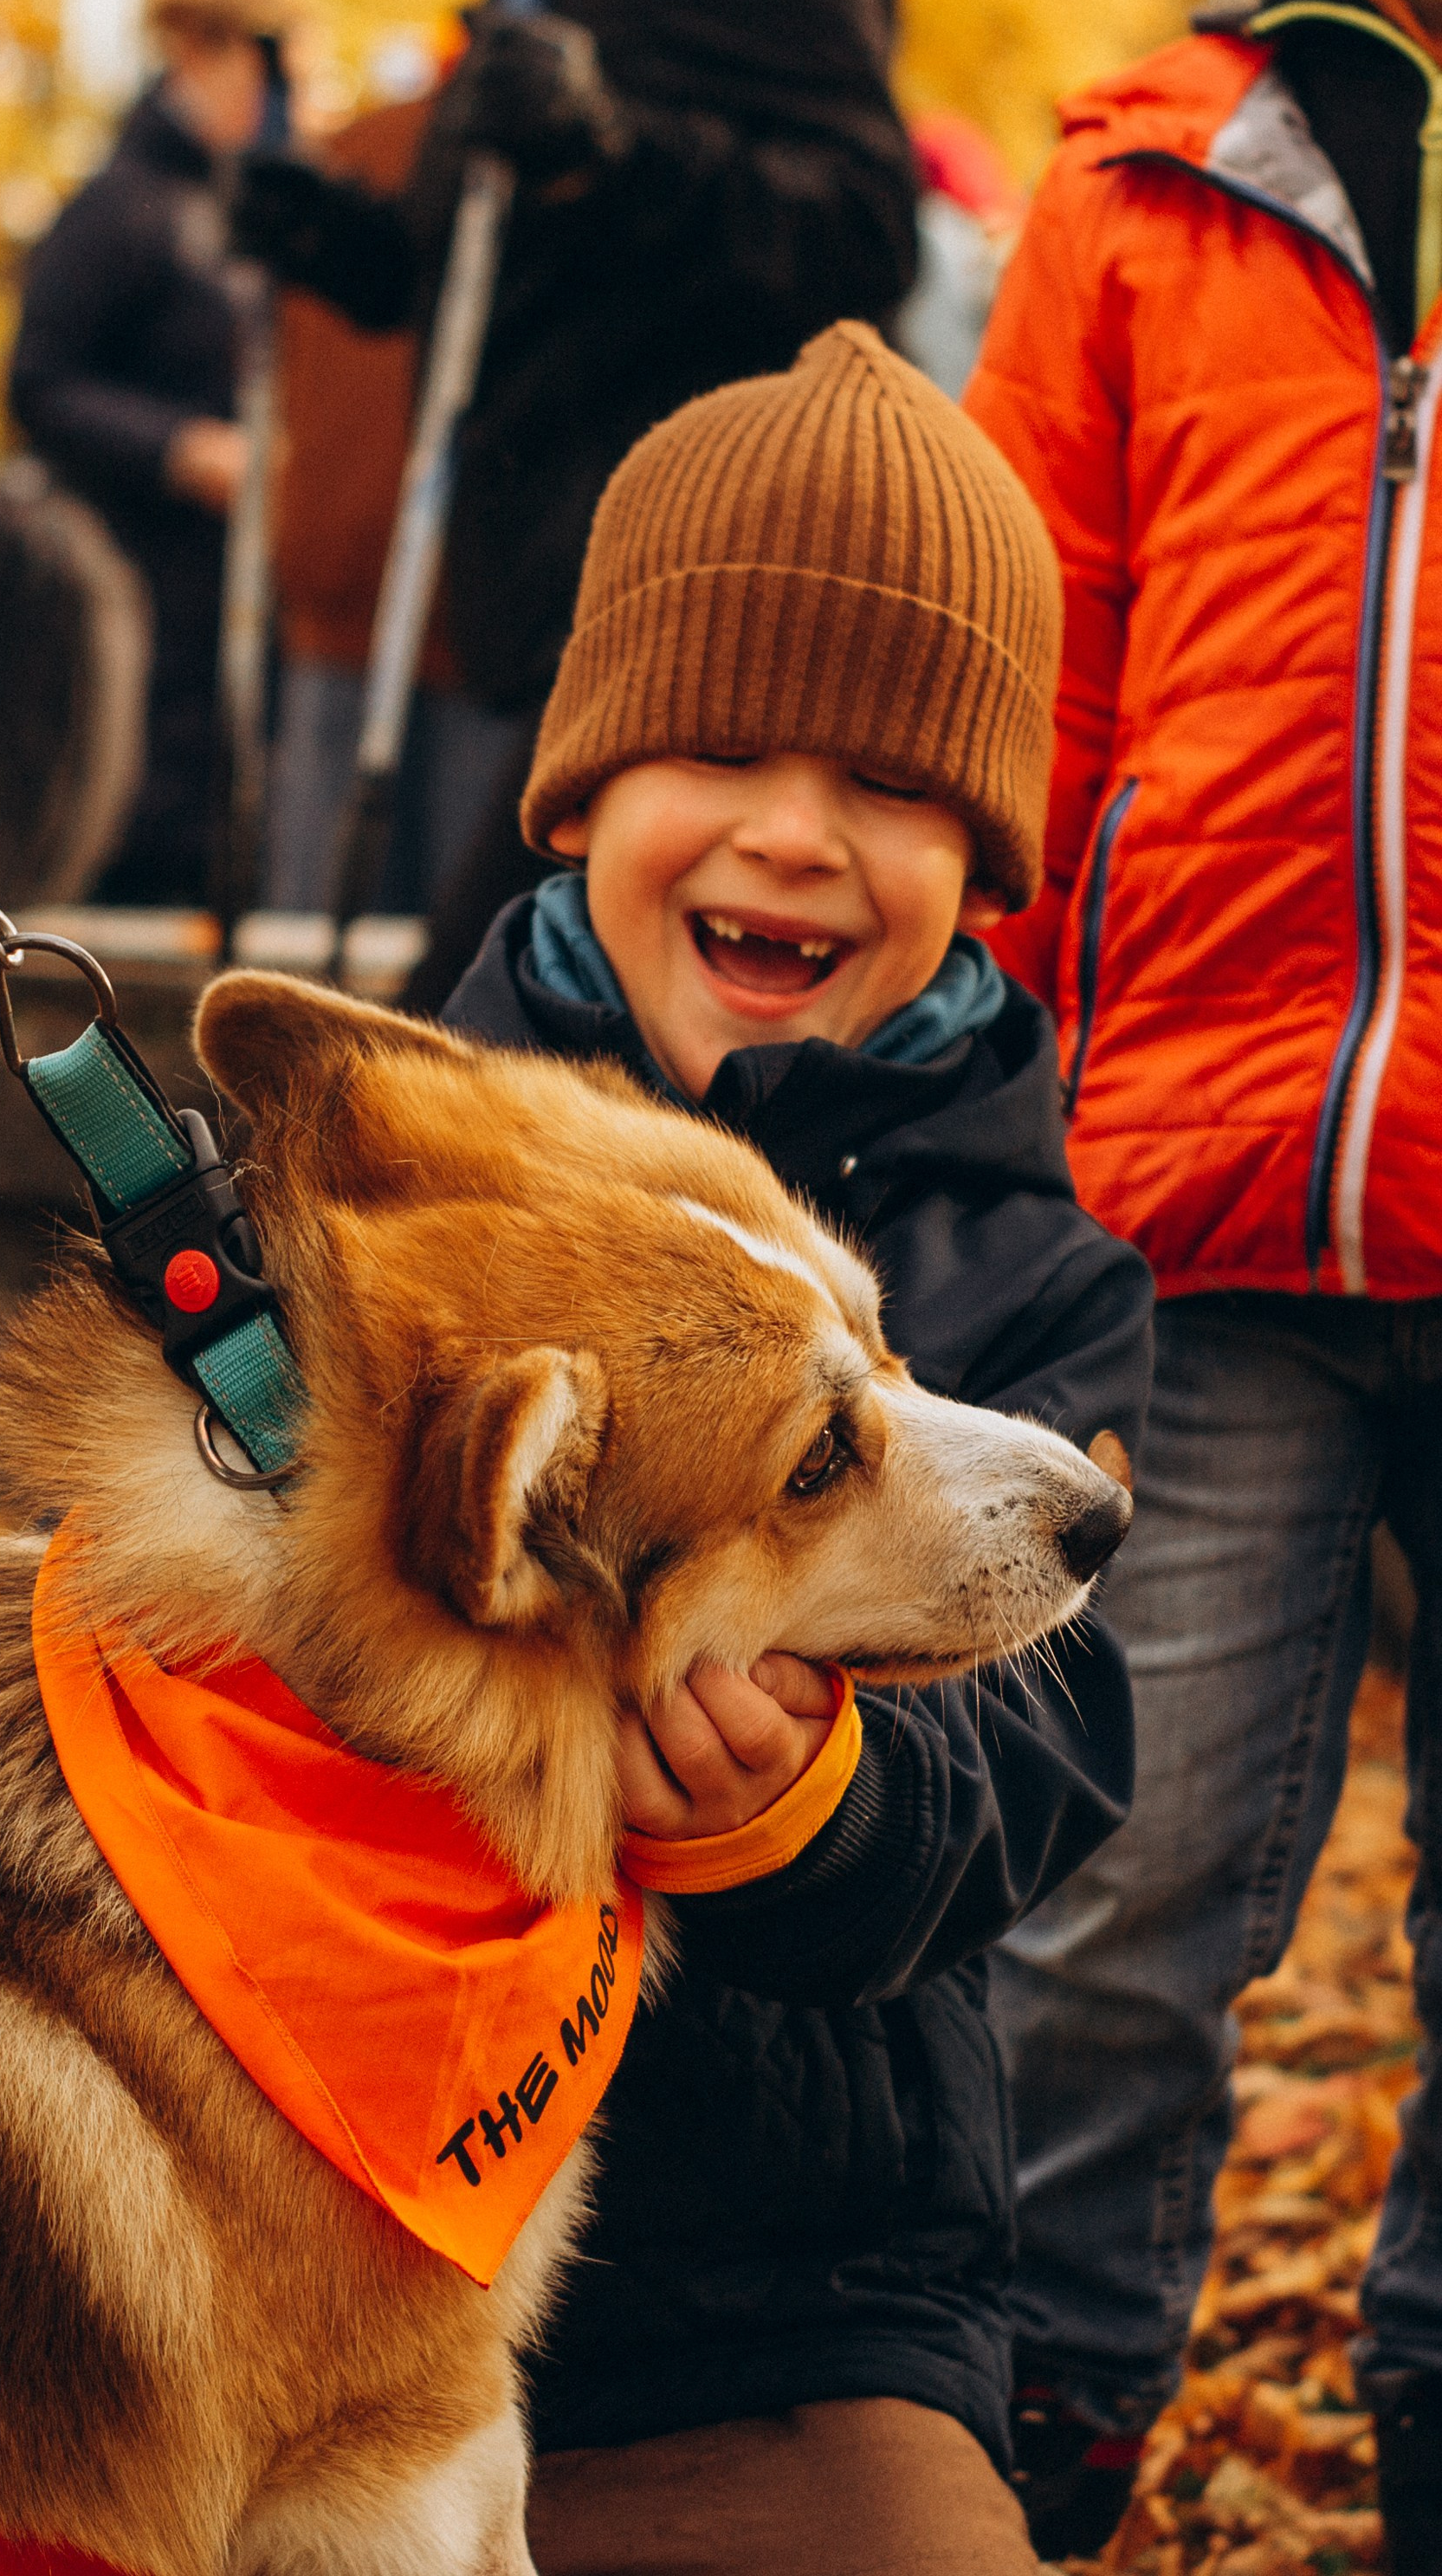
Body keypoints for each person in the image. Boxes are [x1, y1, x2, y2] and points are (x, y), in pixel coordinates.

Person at [441, 320, 1155, 2576]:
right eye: (720, 748)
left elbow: (1048, 1747)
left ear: (987, 851)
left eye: (887, 781)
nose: (790, 833)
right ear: (578, 790)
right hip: (342, 2210)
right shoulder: (401, 1172)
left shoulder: (1032, 1269)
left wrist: (807, 1798)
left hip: (789, 2295)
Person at [961, 0, 1442, 2563]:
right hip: (1206, 1184)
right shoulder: (1149, 173)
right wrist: (969, 1108)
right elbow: (1020, 691)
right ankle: (1016, 2460)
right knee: (1105, 1897)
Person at [234, 0, 921, 1000]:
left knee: (472, 1001)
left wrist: (613, 149)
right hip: (528, 574)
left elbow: (860, 232)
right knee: (542, 991)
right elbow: (490, 251)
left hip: (686, 577)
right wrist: (352, 247)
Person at [10, 0, 297, 907]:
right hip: (131, 591)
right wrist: (180, 449)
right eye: (276, 70)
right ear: (203, 55)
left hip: (230, 602)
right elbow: (35, 383)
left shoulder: (248, 211)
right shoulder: (120, 207)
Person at [266, 92, 524, 917]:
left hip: (410, 602)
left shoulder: (346, 153)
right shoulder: (382, 157)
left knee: (340, 925)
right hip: (438, 610)